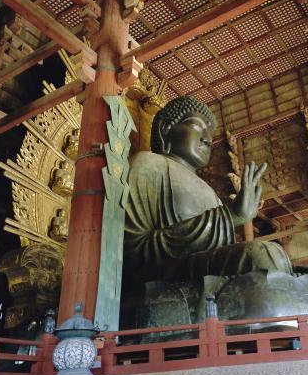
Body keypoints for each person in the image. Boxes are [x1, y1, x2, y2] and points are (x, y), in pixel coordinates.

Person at [123, 96, 292, 284]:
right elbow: (131, 250)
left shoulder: (210, 192)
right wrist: (230, 217)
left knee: (289, 264)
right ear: (165, 128)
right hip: (161, 276)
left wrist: (229, 218)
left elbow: (220, 253)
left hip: (204, 272)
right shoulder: (148, 164)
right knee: (263, 256)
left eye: (210, 133)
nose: (208, 139)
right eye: (198, 127)